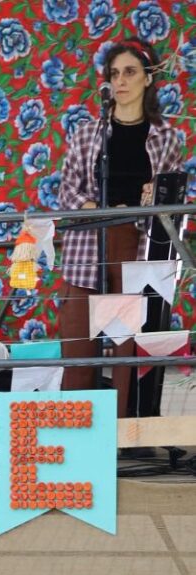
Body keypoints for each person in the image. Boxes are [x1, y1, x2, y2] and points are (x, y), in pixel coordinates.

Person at [57, 39, 188, 416]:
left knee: (127, 350)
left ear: (148, 78)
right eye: (114, 74)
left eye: (130, 72)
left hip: (136, 245)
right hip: (88, 242)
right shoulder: (88, 133)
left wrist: (155, 197)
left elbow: (174, 197)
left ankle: (126, 430)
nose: (121, 81)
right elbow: (67, 191)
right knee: (78, 346)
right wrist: (98, 210)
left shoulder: (167, 138)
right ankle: (76, 431)